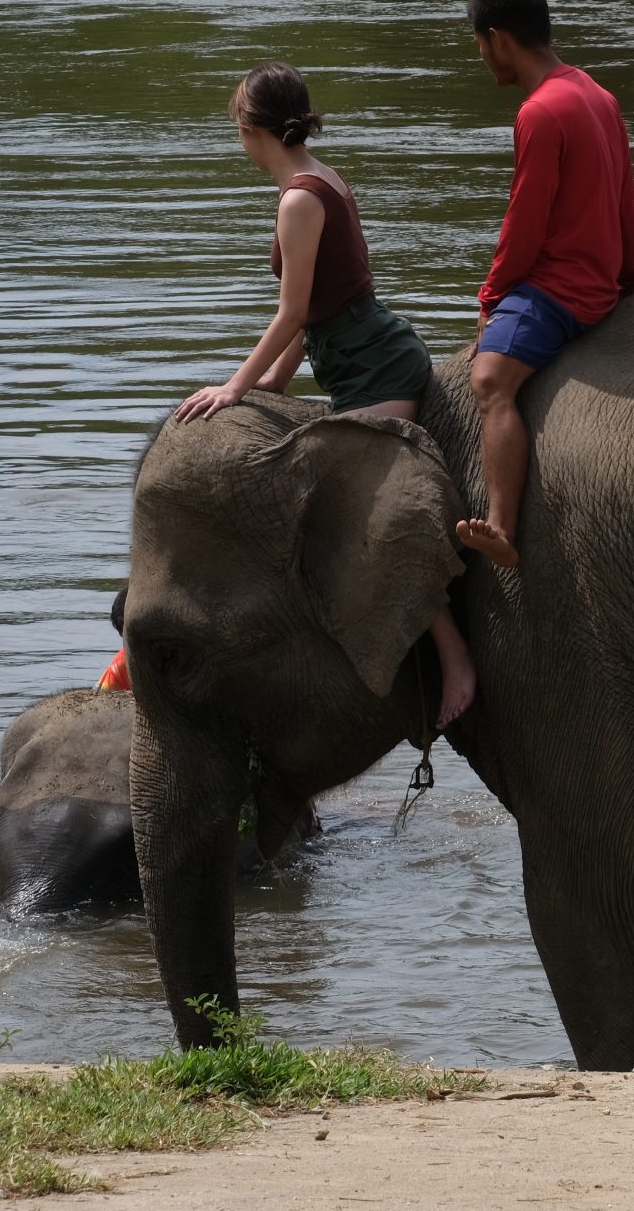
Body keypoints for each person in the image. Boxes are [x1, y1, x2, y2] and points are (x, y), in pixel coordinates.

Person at [174, 62, 477, 728]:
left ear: (255, 131)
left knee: (358, 512)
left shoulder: (300, 199)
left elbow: (289, 313)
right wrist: (273, 387)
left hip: (380, 371)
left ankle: (454, 656)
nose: (238, 143)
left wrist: (235, 386)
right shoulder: (315, 179)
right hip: (358, 362)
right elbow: (309, 314)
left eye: (238, 130)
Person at [455, 0, 634, 569]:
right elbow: (625, 199)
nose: (482, 57)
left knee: (489, 382)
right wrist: (629, 277)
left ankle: (502, 525)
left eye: (480, 46)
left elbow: (525, 222)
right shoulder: (597, 94)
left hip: (561, 292)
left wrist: (492, 295)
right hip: (602, 283)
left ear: (497, 38)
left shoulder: (540, 111)